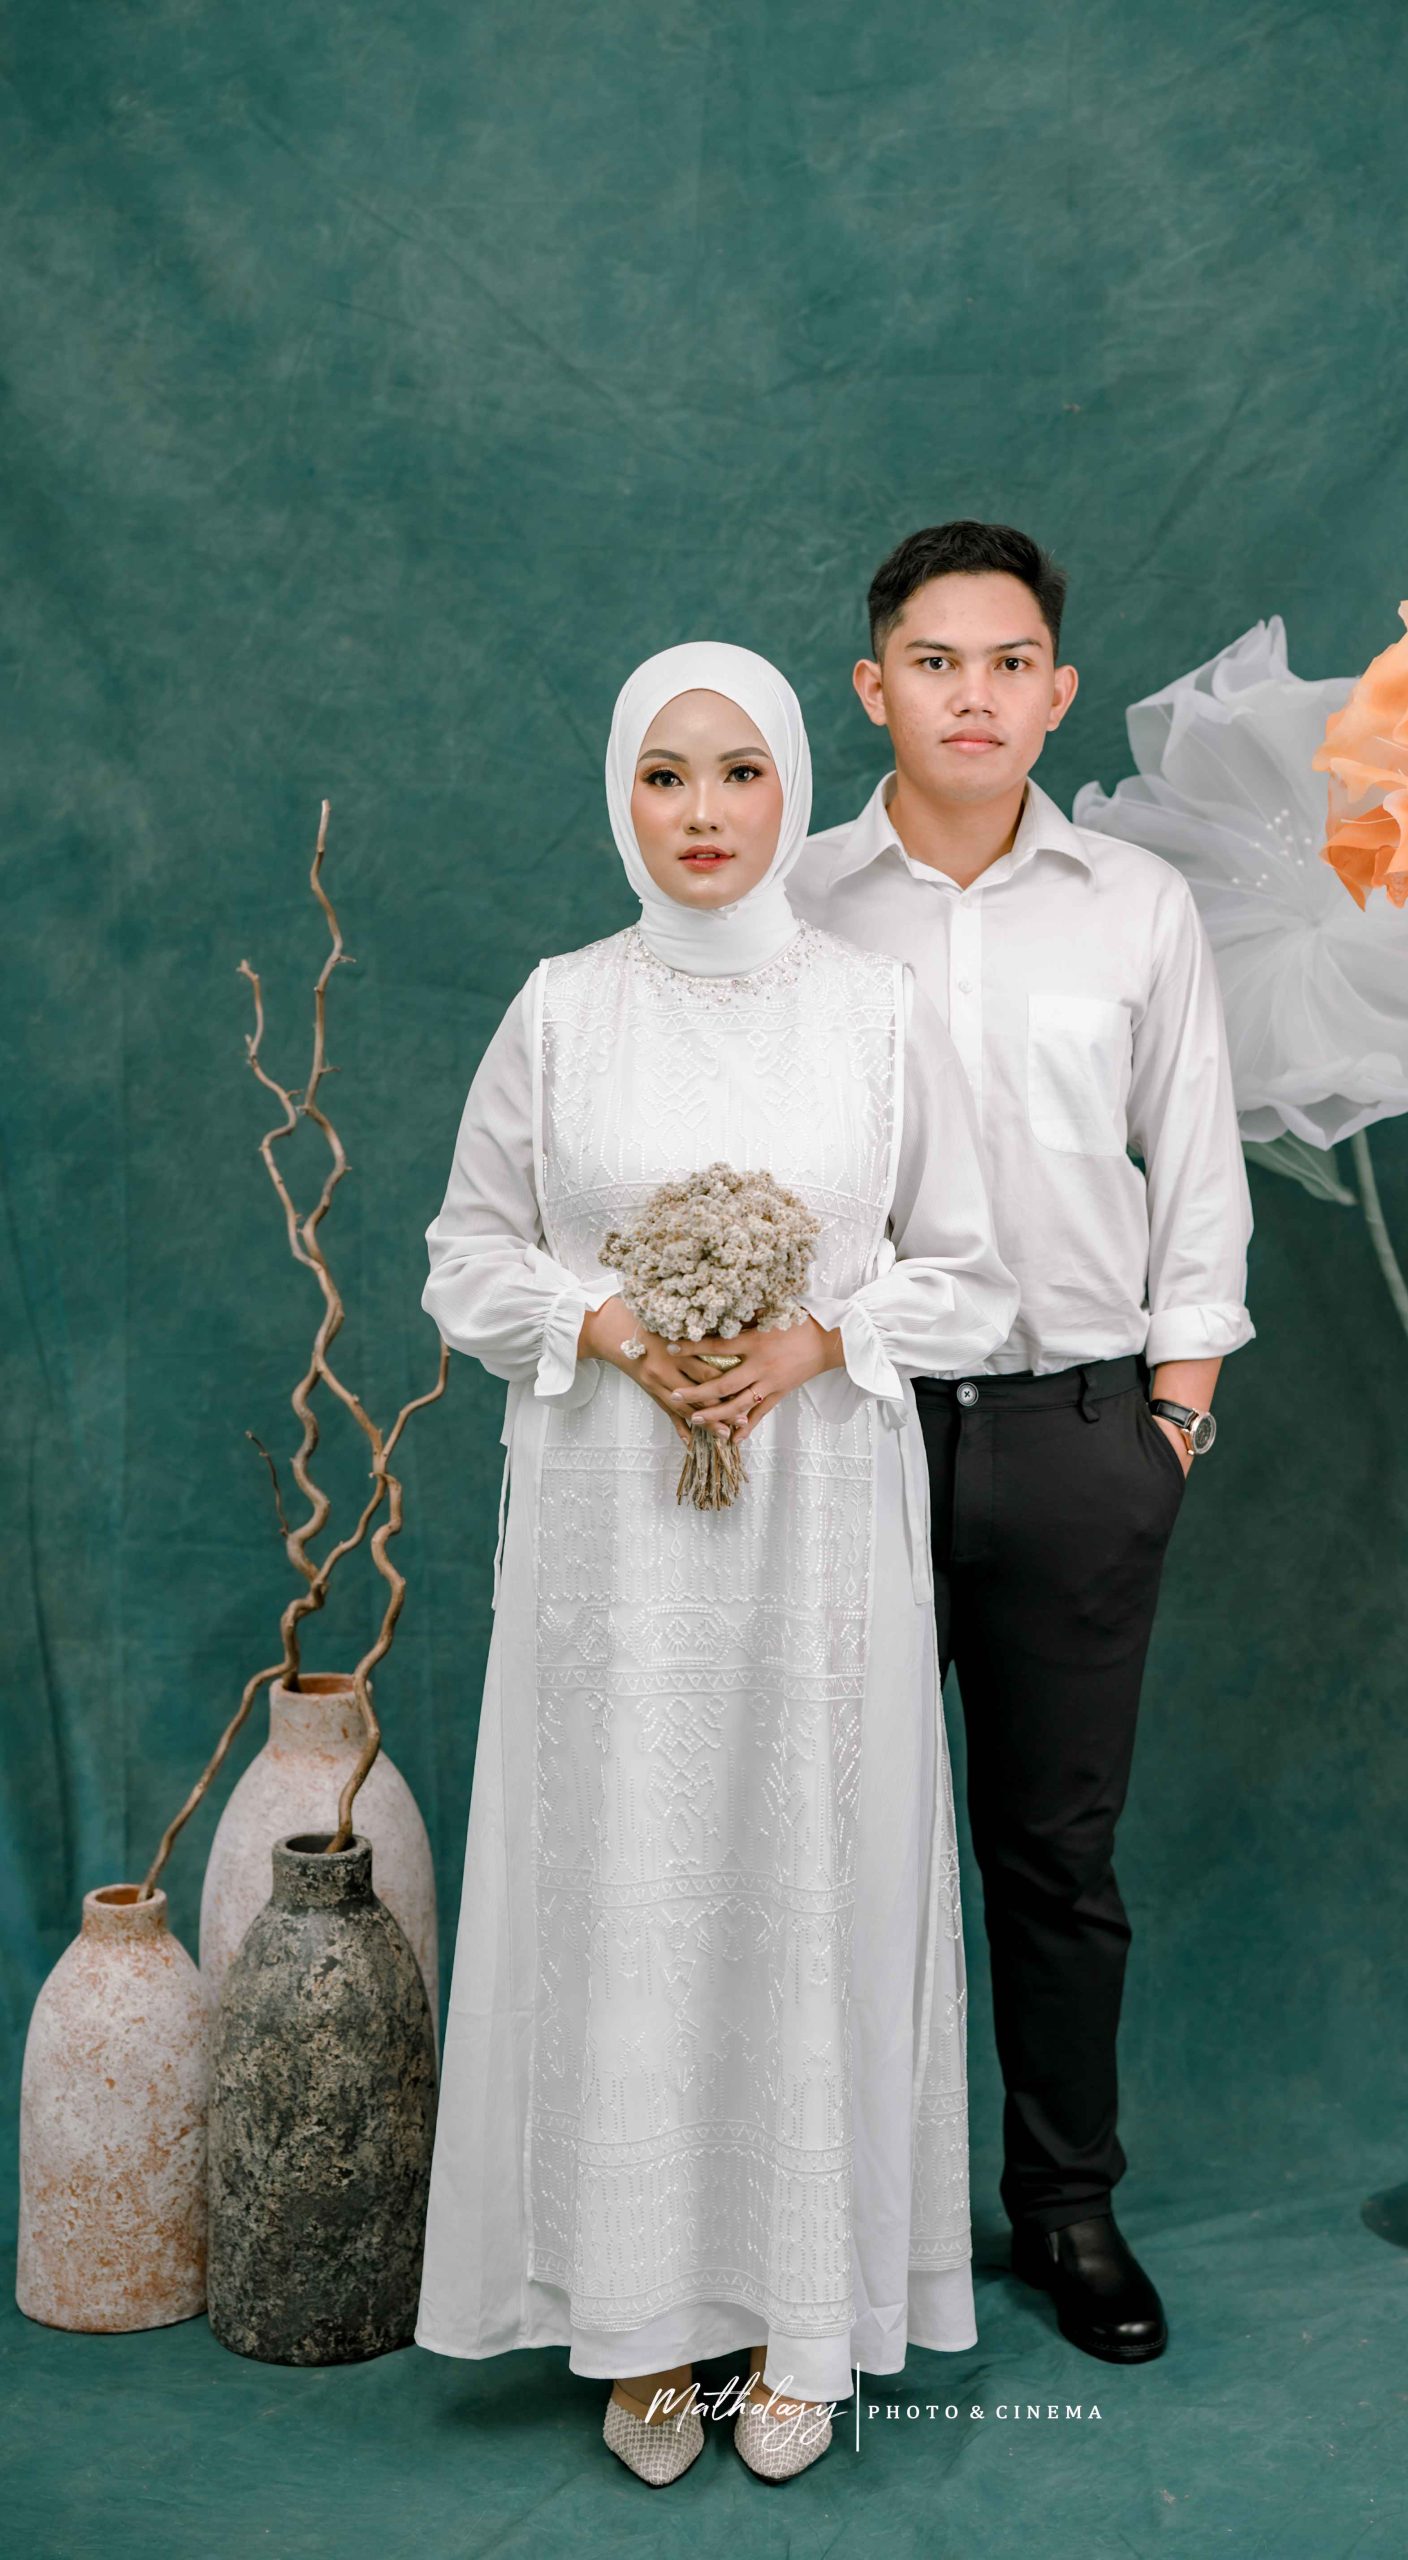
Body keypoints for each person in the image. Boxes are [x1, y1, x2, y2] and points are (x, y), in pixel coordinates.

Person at [413, 641, 1018, 2486]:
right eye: (665, 775)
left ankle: (796, 2317)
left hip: (818, 1527)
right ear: (621, 795)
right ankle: (645, 2322)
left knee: (803, 1876)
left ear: (792, 793)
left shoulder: (875, 1015)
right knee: (631, 1882)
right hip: (612, 1539)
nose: (702, 812)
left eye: (739, 772)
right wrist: (607, 1327)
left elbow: (972, 1270)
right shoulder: (558, 1012)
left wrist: (818, 1341)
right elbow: (465, 1255)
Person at [793, 523, 1254, 2366]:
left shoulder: (1134, 908)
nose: (970, 695)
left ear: (1056, 692)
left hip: (1082, 1428)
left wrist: (1172, 1421)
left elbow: (1197, 1169)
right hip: (854, 1429)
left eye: (1006, 664)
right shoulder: (800, 901)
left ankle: (1066, 2207)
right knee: (834, 1841)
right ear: (875, 688)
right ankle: (826, 2220)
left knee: (1056, 1856)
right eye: (934, 662)